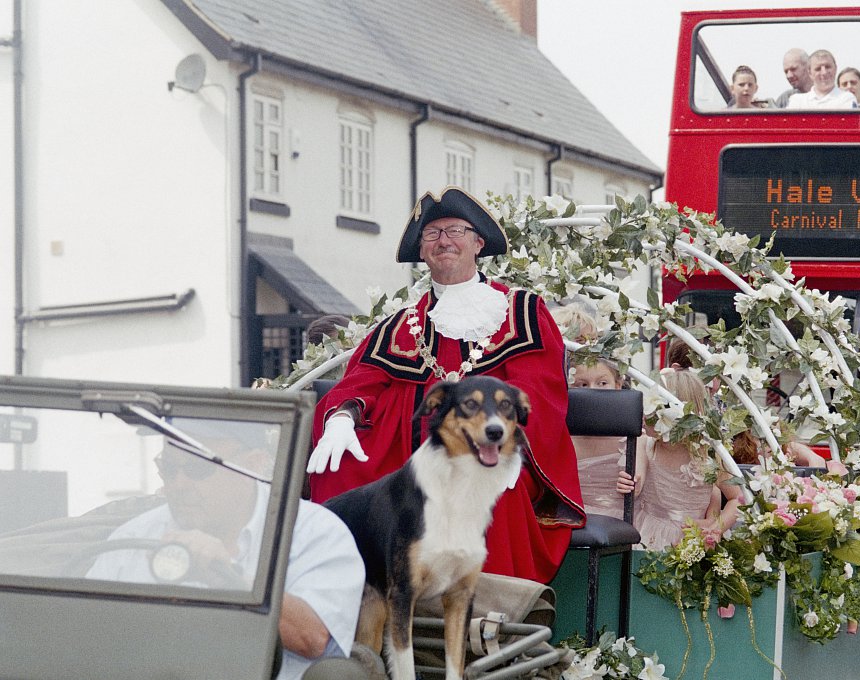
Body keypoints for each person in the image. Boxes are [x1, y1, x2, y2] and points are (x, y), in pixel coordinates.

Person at [305, 186, 584, 583]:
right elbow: (361, 379)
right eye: (432, 234)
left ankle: (487, 620)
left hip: (489, 447)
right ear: (422, 252)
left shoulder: (521, 312)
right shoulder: (401, 324)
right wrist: (341, 418)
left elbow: (538, 391)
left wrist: (508, 445)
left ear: (478, 243)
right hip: (405, 455)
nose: (444, 241)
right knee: (340, 470)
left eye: (455, 230)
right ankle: (346, 596)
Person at [87, 420, 365, 680]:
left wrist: (230, 580)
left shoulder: (313, 533)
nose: (179, 484)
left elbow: (314, 639)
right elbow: (86, 631)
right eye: (169, 469)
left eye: (198, 467)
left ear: (252, 466)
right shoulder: (135, 536)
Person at [615, 369, 741, 551]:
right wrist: (631, 484)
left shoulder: (708, 455)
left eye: (652, 412)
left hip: (690, 538)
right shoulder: (647, 445)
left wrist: (715, 527)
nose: (644, 416)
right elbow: (638, 479)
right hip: (647, 532)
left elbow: (737, 498)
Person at [569, 355, 630, 520]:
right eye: (582, 384)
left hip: (620, 525)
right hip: (573, 522)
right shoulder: (561, 438)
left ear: (617, 386)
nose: (592, 390)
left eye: (602, 383)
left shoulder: (632, 439)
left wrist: (634, 482)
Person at [787, 50, 857, 109]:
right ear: (810, 73)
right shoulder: (797, 101)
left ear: (835, 69)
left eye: (828, 67)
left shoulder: (847, 98)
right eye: (818, 69)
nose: (824, 72)